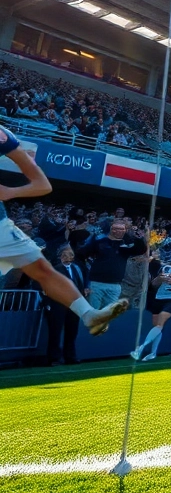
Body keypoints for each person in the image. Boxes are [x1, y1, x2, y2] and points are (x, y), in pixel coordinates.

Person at [0, 126, 125, 336]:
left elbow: (42, 184)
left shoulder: (4, 137)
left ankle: (88, 314)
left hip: (1, 226)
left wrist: (10, 192)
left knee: (43, 270)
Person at [130, 247, 171, 362]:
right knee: (157, 327)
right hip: (159, 297)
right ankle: (153, 353)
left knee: (160, 323)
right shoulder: (165, 267)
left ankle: (141, 348)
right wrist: (160, 278)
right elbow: (154, 284)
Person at [77, 219, 147, 310]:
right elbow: (81, 254)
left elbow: (140, 250)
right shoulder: (100, 242)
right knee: (92, 312)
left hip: (115, 285)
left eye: (121, 229)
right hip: (96, 283)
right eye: (116, 228)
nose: (118, 231)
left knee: (108, 314)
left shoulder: (126, 246)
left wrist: (138, 238)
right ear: (111, 229)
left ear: (125, 230)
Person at [44, 245, 86, 364]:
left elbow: (80, 285)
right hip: (58, 304)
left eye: (71, 255)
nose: (68, 257)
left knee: (72, 331)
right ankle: (53, 358)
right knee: (55, 332)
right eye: (65, 255)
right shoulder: (55, 269)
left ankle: (70, 356)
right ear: (60, 256)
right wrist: (48, 303)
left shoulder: (77, 269)